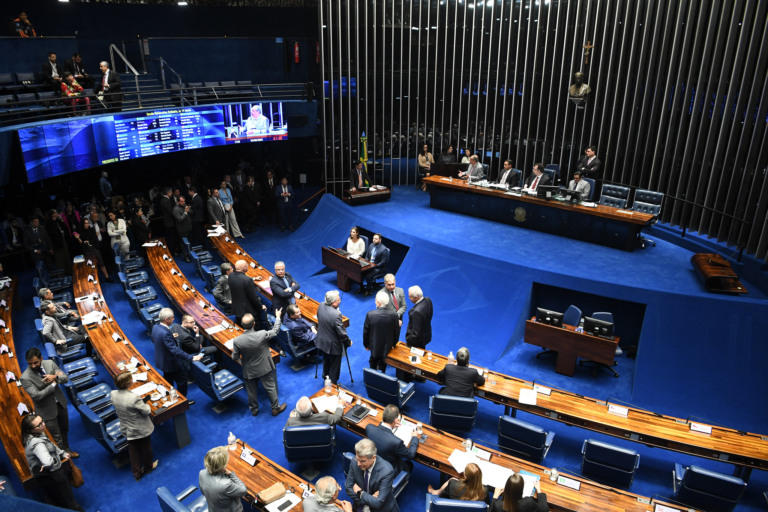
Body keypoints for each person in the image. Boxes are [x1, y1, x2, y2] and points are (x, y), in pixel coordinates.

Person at [20, 348, 78, 457]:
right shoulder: (25, 378)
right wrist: (53, 384)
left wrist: (55, 377)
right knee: (56, 436)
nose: (33, 366)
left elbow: (65, 378)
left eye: (35, 362)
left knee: (64, 429)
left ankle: (67, 450)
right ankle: (63, 458)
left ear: (41, 358)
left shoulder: (50, 363)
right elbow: (37, 396)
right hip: (46, 410)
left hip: (60, 403)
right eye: (30, 364)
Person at [20, 414, 83, 511]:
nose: (43, 425)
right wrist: (56, 459)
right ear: (31, 429)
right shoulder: (37, 444)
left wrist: (61, 453)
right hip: (53, 475)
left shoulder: (35, 433)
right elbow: (48, 462)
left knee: (57, 499)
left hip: (45, 476)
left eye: (42, 421)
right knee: (70, 501)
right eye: (39, 425)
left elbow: (50, 445)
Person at [231, 311, 287, 417]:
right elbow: (275, 331)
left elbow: (235, 357)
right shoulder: (262, 334)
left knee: (251, 391)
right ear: (254, 324)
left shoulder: (237, 341)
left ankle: (254, 410)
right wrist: (278, 317)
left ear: (242, 325)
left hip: (249, 369)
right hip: (264, 367)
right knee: (270, 387)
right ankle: (275, 408)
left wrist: (241, 362)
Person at [111, 371, 157, 481]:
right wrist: (145, 403)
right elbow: (146, 411)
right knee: (146, 447)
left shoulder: (113, 394)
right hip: (140, 428)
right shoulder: (134, 397)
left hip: (127, 427)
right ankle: (148, 467)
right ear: (128, 383)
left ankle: (136, 473)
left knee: (133, 450)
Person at [151, 308, 203, 404]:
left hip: (161, 361)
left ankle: (170, 398)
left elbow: (154, 340)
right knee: (182, 381)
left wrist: (170, 337)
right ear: (167, 319)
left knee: (168, 381)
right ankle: (182, 401)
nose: (174, 319)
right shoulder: (165, 333)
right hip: (171, 363)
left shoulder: (156, 327)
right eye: (172, 318)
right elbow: (175, 350)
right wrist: (191, 357)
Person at [345, 438, 398, 512]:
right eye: (357, 459)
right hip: (359, 507)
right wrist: (368, 500)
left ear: (373, 458)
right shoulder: (354, 462)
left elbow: (378, 503)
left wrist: (360, 492)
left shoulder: (387, 471)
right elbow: (348, 487)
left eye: (363, 461)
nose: (358, 464)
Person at [365, 405, 420, 474]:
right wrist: (415, 437)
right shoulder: (396, 442)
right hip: (388, 471)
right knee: (409, 464)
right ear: (395, 420)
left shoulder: (369, 428)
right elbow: (411, 455)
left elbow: (380, 431)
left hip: (372, 462)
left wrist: (392, 425)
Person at [316, 290, 352, 384]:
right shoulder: (336, 315)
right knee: (335, 365)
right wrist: (348, 342)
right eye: (338, 300)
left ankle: (325, 376)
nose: (340, 301)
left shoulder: (321, 305)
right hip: (333, 345)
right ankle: (332, 383)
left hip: (322, 341)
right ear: (332, 302)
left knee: (326, 360)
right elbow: (342, 333)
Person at [198, 446, 248, 512]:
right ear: (223, 465)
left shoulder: (202, 473)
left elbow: (203, 493)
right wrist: (231, 474)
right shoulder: (225, 484)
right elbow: (243, 490)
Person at [171, 314, 219, 380]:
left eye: (194, 321)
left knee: (202, 337)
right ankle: (218, 366)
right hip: (192, 351)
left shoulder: (176, 325)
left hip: (189, 344)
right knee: (216, 348)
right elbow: (196, 348)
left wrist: (197, 342)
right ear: (184, 323)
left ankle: (204, 358)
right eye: (191, 322)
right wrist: (197, 333)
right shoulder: (185, 337)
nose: (194, 324)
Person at [363, 291, 399, 371]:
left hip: (374, 345)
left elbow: (366, 332)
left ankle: (372, 376)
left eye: (375, 300)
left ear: (378, 303)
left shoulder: (370, 314)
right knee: (384, 362)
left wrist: (366, 345)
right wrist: (394, 344)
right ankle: (382, 375)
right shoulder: (394, 315)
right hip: (387, 345)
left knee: (373, 362)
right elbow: (396, 331)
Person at [228, 259, 267, 326]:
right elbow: (253, 297)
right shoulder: (247, 280)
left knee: (240, 326)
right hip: (248, 312)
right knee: (254, 328)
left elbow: (240, 280)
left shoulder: (231, 276)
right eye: (247, 266)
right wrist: (260, 306)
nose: (248, 267)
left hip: (237, 309)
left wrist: (253, 279)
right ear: (244, 268)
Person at [44, 209, 72, 274]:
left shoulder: (58, 221)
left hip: (63, 241)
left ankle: (69, 271)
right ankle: (62, 274)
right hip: (56, 244)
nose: (57, 213)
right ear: (52, 214)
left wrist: (62, 221)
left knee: (66, 256)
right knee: (59, 260)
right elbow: (51, 235)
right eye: (56, 212)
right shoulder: (48, 223)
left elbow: (65, 229)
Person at [381, 274, 406, 340]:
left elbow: (404, 306)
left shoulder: (400, 291)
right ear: (385, 283)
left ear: (395, 282)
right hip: (388, 321)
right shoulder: (381, 294)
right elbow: (382, 312)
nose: (392, 287)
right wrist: (395, 318)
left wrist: (397, 316)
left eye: (393, 284)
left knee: (396, 336)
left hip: (399, 318)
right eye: (389, 285)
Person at [159, 186, 179, 256]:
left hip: (169, 222)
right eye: (171, 192)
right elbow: (170, 211)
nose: (172, 193)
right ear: (168, 193)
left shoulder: (165, 199)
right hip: (169, 222)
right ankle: (172, 251)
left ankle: (173, 250)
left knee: (172, 237)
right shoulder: (165, 200)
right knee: (172, 237)